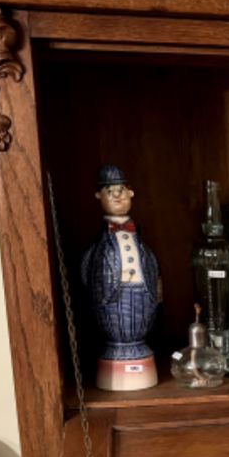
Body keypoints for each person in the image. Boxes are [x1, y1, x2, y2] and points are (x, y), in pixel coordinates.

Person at [81, 165, 161, 391]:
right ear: (98, 196)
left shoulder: (144, 247)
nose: (116, 195)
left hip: (143, 295)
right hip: (110, 299)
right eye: (109, 191)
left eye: (121, 190)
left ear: (131, 193)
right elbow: (86, 273)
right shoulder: (97, 249)